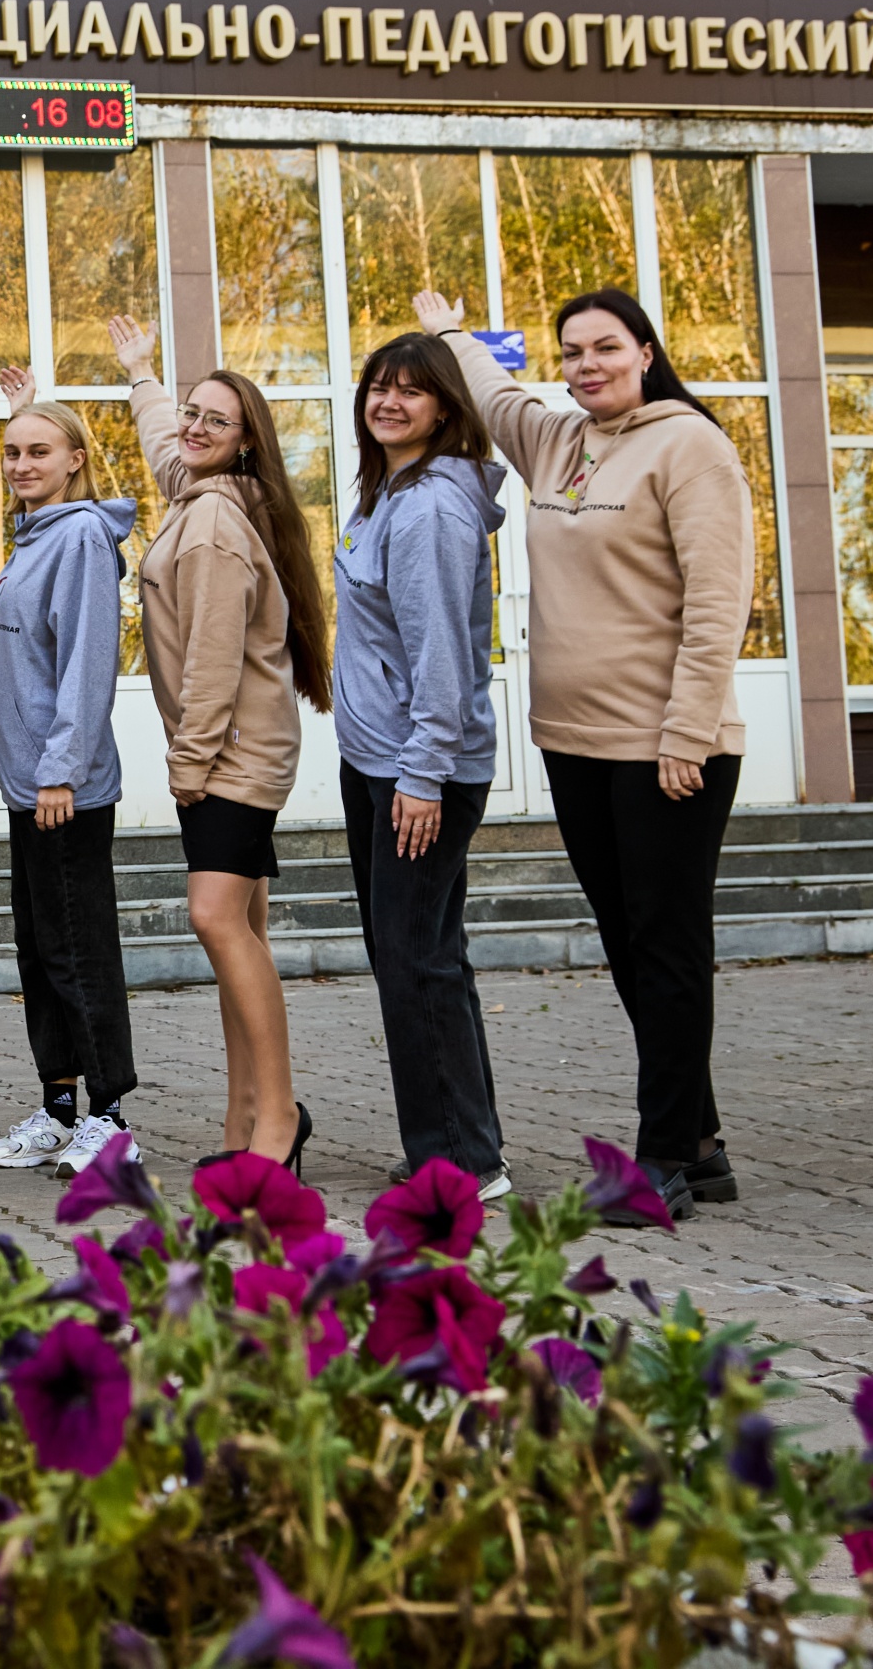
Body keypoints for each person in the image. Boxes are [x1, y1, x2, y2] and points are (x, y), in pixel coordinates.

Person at [418, 286, 755, 1227]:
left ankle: (661, 1160)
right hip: (575, 741)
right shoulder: (558, 441)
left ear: (645, 351)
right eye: (571, 352)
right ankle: (700, 1140)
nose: (587, 365)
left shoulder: (691, 446)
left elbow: (718, 600)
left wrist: (688, 731)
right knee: (627, 943)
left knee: (668, 945)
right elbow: (493, 394)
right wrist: (449, 331)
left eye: (605, 347)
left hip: (666, 748)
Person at [115, 315, 333, 1173]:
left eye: (216, 420)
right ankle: (244, 1118)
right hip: (241, 749)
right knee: (242, 930)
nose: (195, 428)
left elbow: (211, 658)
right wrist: (142, 376)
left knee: (215, 920)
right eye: (192, 413)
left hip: (232, 756)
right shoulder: (211, 495)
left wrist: (188, 764)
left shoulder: (209, 525)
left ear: (247, 442)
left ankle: (278, 1118)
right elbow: (167, 450)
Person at [335, 332, 512, 1202]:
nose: (390, 401)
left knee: (415, 963)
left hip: (417, 771)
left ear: (445, 407)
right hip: (383, 759)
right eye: (379, 386)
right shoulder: (388, 492)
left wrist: (422, 773)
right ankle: (459, 1145)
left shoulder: (432, 509)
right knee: (421, 955)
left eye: (411, 389)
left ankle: (463, 1165)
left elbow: (441, 650)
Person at [0, 365, 144, 1178]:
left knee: (79, 951)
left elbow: (87, 662)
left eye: (39, 451)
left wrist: (62, 770)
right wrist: (28, 411)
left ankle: (109, 1118)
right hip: (29, 783)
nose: (20, 464)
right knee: (41, 951)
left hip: (62, 788)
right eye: (12, 452)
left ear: (77, 460)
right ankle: (58, 1108)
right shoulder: (37, 533)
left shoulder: (78, 537)